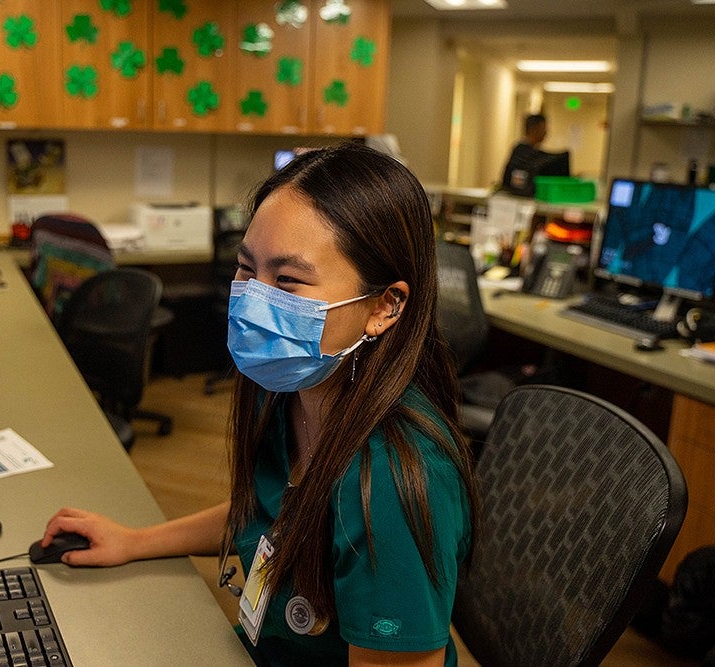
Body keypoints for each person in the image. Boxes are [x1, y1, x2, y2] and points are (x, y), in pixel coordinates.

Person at [39, 142, 479, 666]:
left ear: (385, 305)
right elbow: (268, 514)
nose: (253, 298)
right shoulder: (290, 390)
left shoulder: (395, 484)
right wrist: (135, 541)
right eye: (247, 269)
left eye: (288, 281)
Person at [501, 113, 563, 197]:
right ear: (534, 129)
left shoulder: (530, 153)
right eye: (543, 129)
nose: (546, 133)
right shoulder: (522, 153)